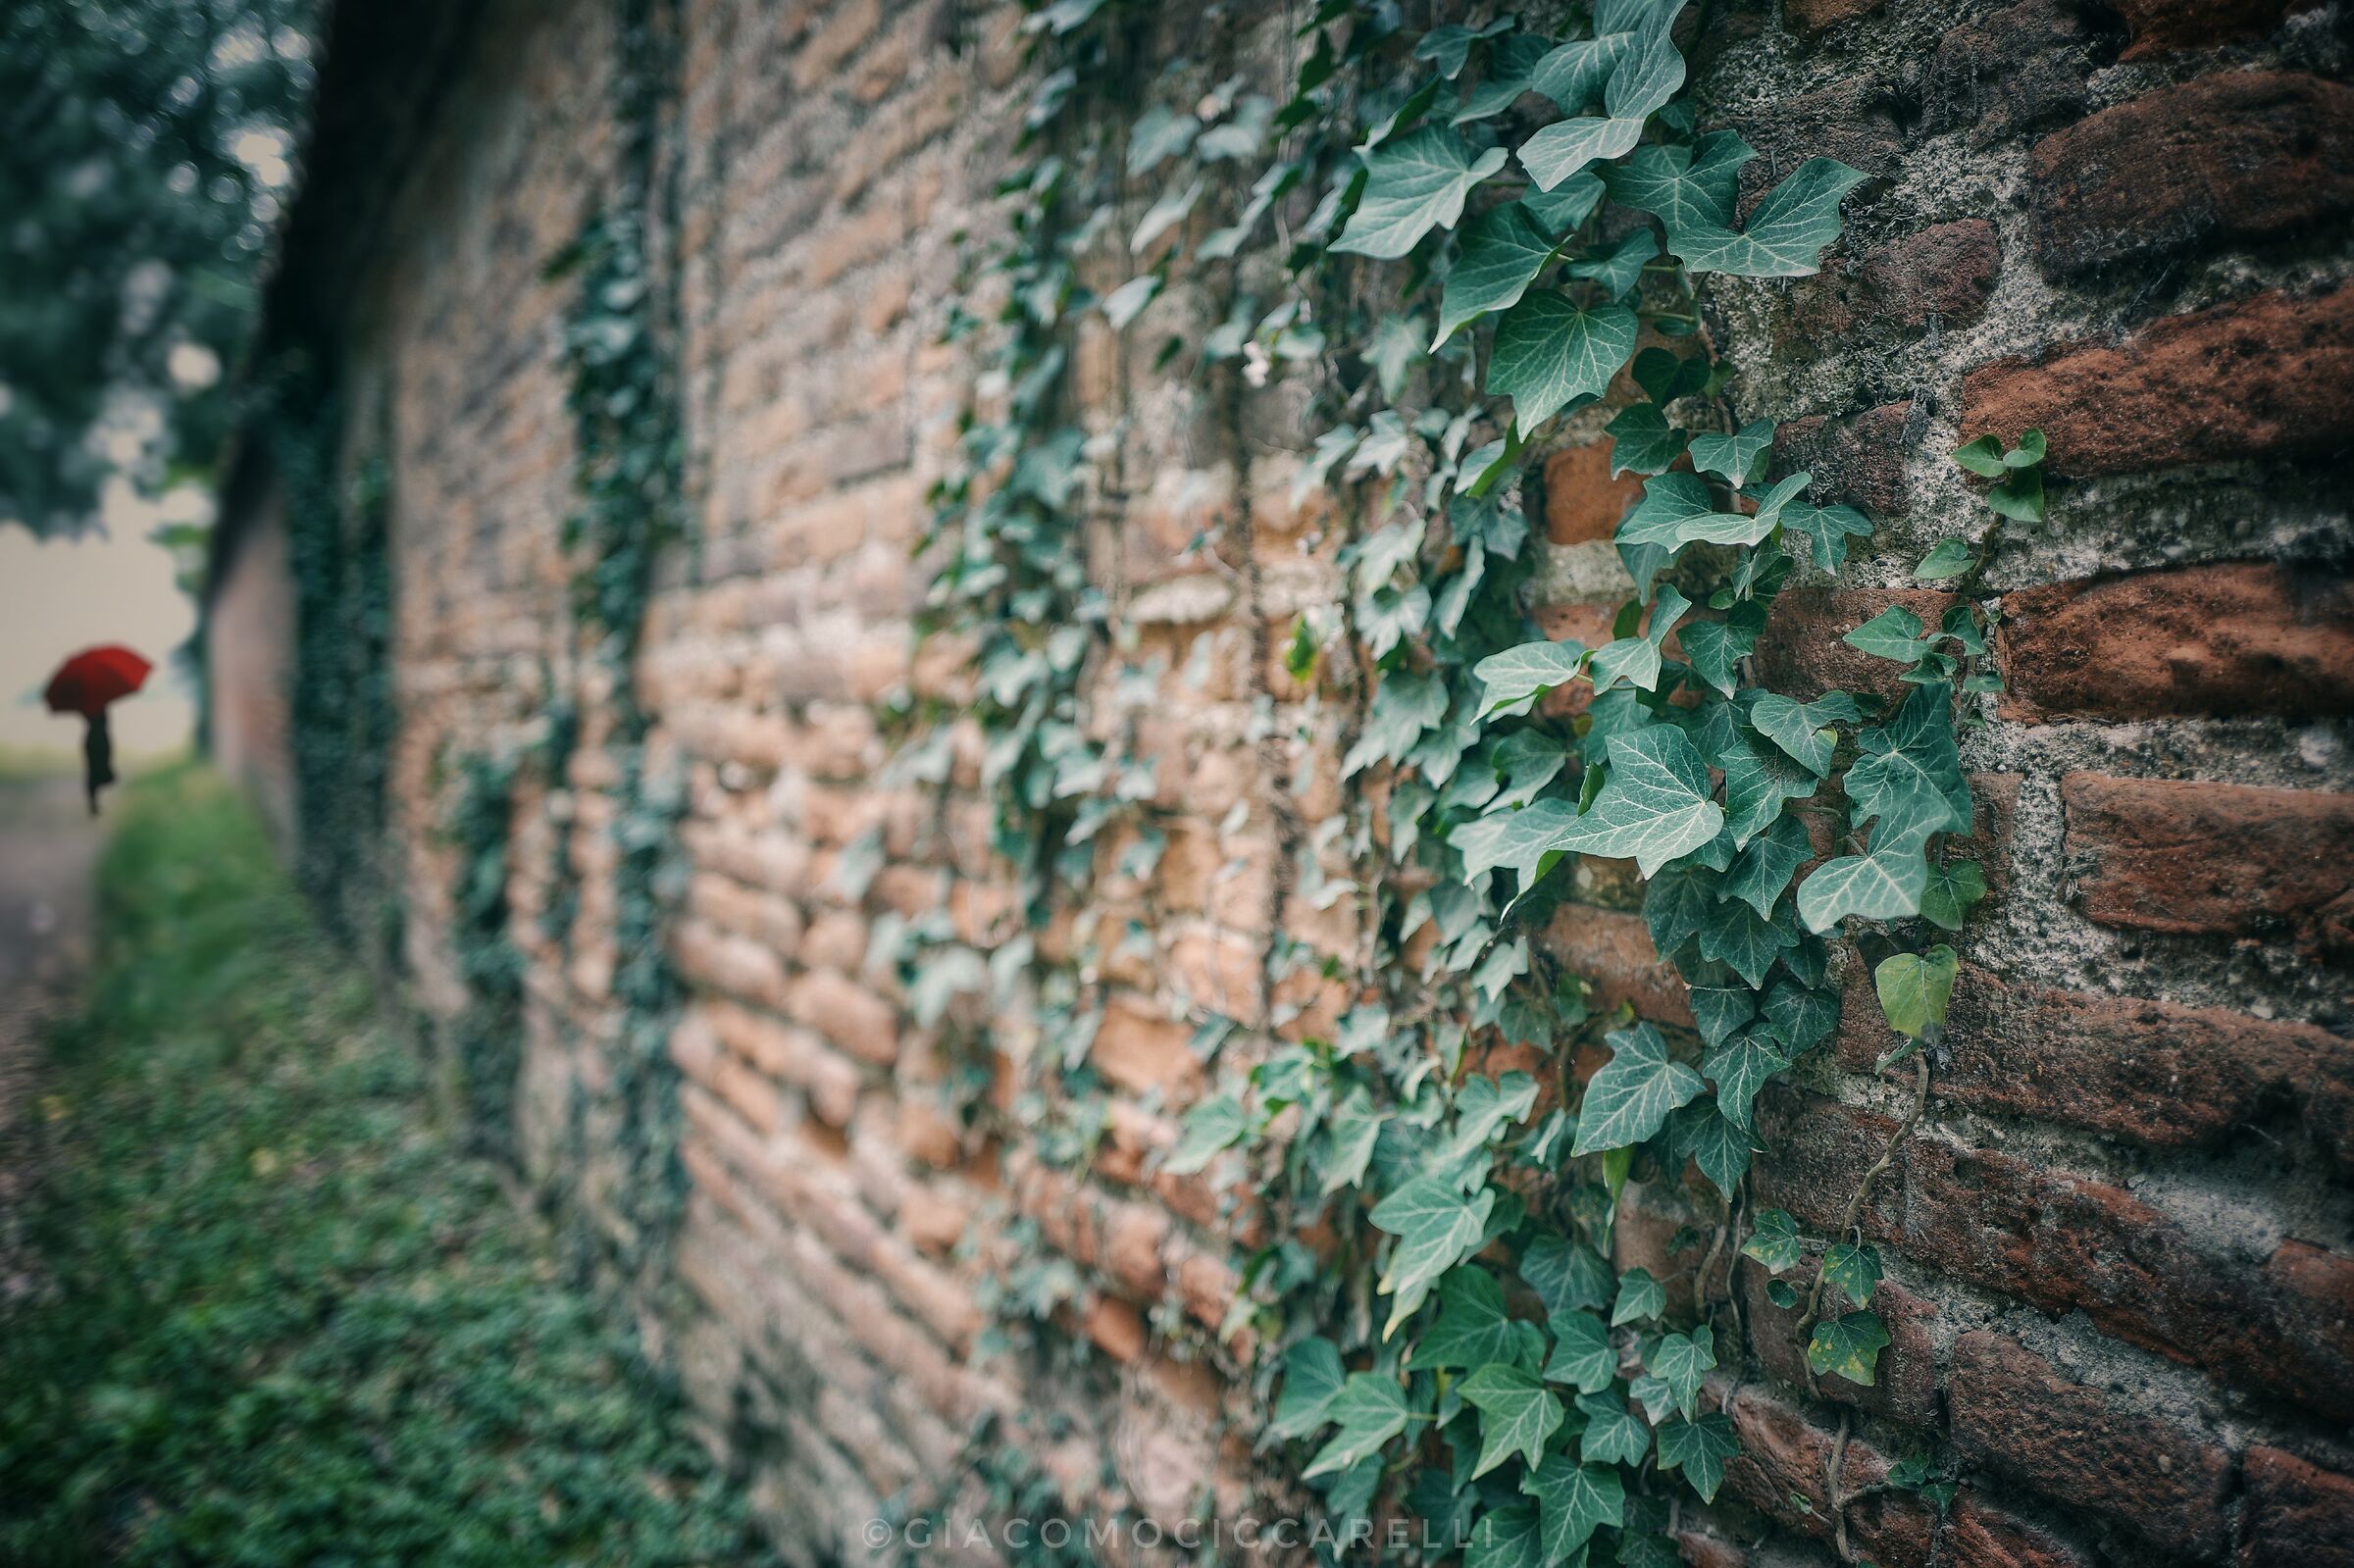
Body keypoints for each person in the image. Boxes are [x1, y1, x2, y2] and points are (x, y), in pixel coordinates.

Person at [82, 708, 115, 817]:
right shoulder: (100, 706)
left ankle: (93, 803)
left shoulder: (88, 707)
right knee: (96, 771)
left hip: (94, 739)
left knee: (93, 771)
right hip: (99, 738)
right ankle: (94, 803)